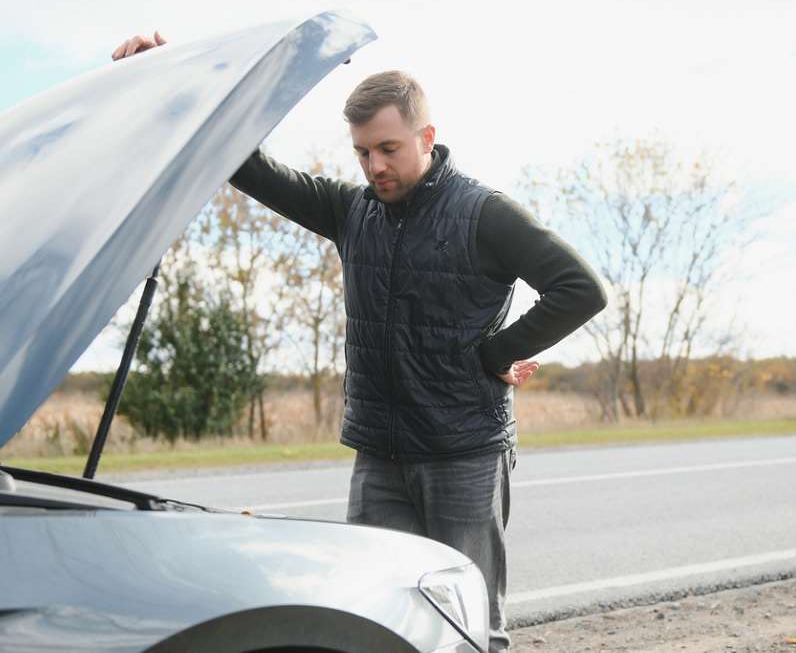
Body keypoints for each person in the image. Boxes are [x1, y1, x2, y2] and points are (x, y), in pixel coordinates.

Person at [113, 32, 606, 652]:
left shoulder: (485, 214)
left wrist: (492, 353)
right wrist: (183, 77)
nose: (375, 167)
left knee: (468, 628)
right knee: (374, 623)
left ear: (427, 138)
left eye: (389, 149)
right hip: (378, 454)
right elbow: (249, 166)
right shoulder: (352, 211)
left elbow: (580, 288)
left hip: (464, 453)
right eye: (363, 152)